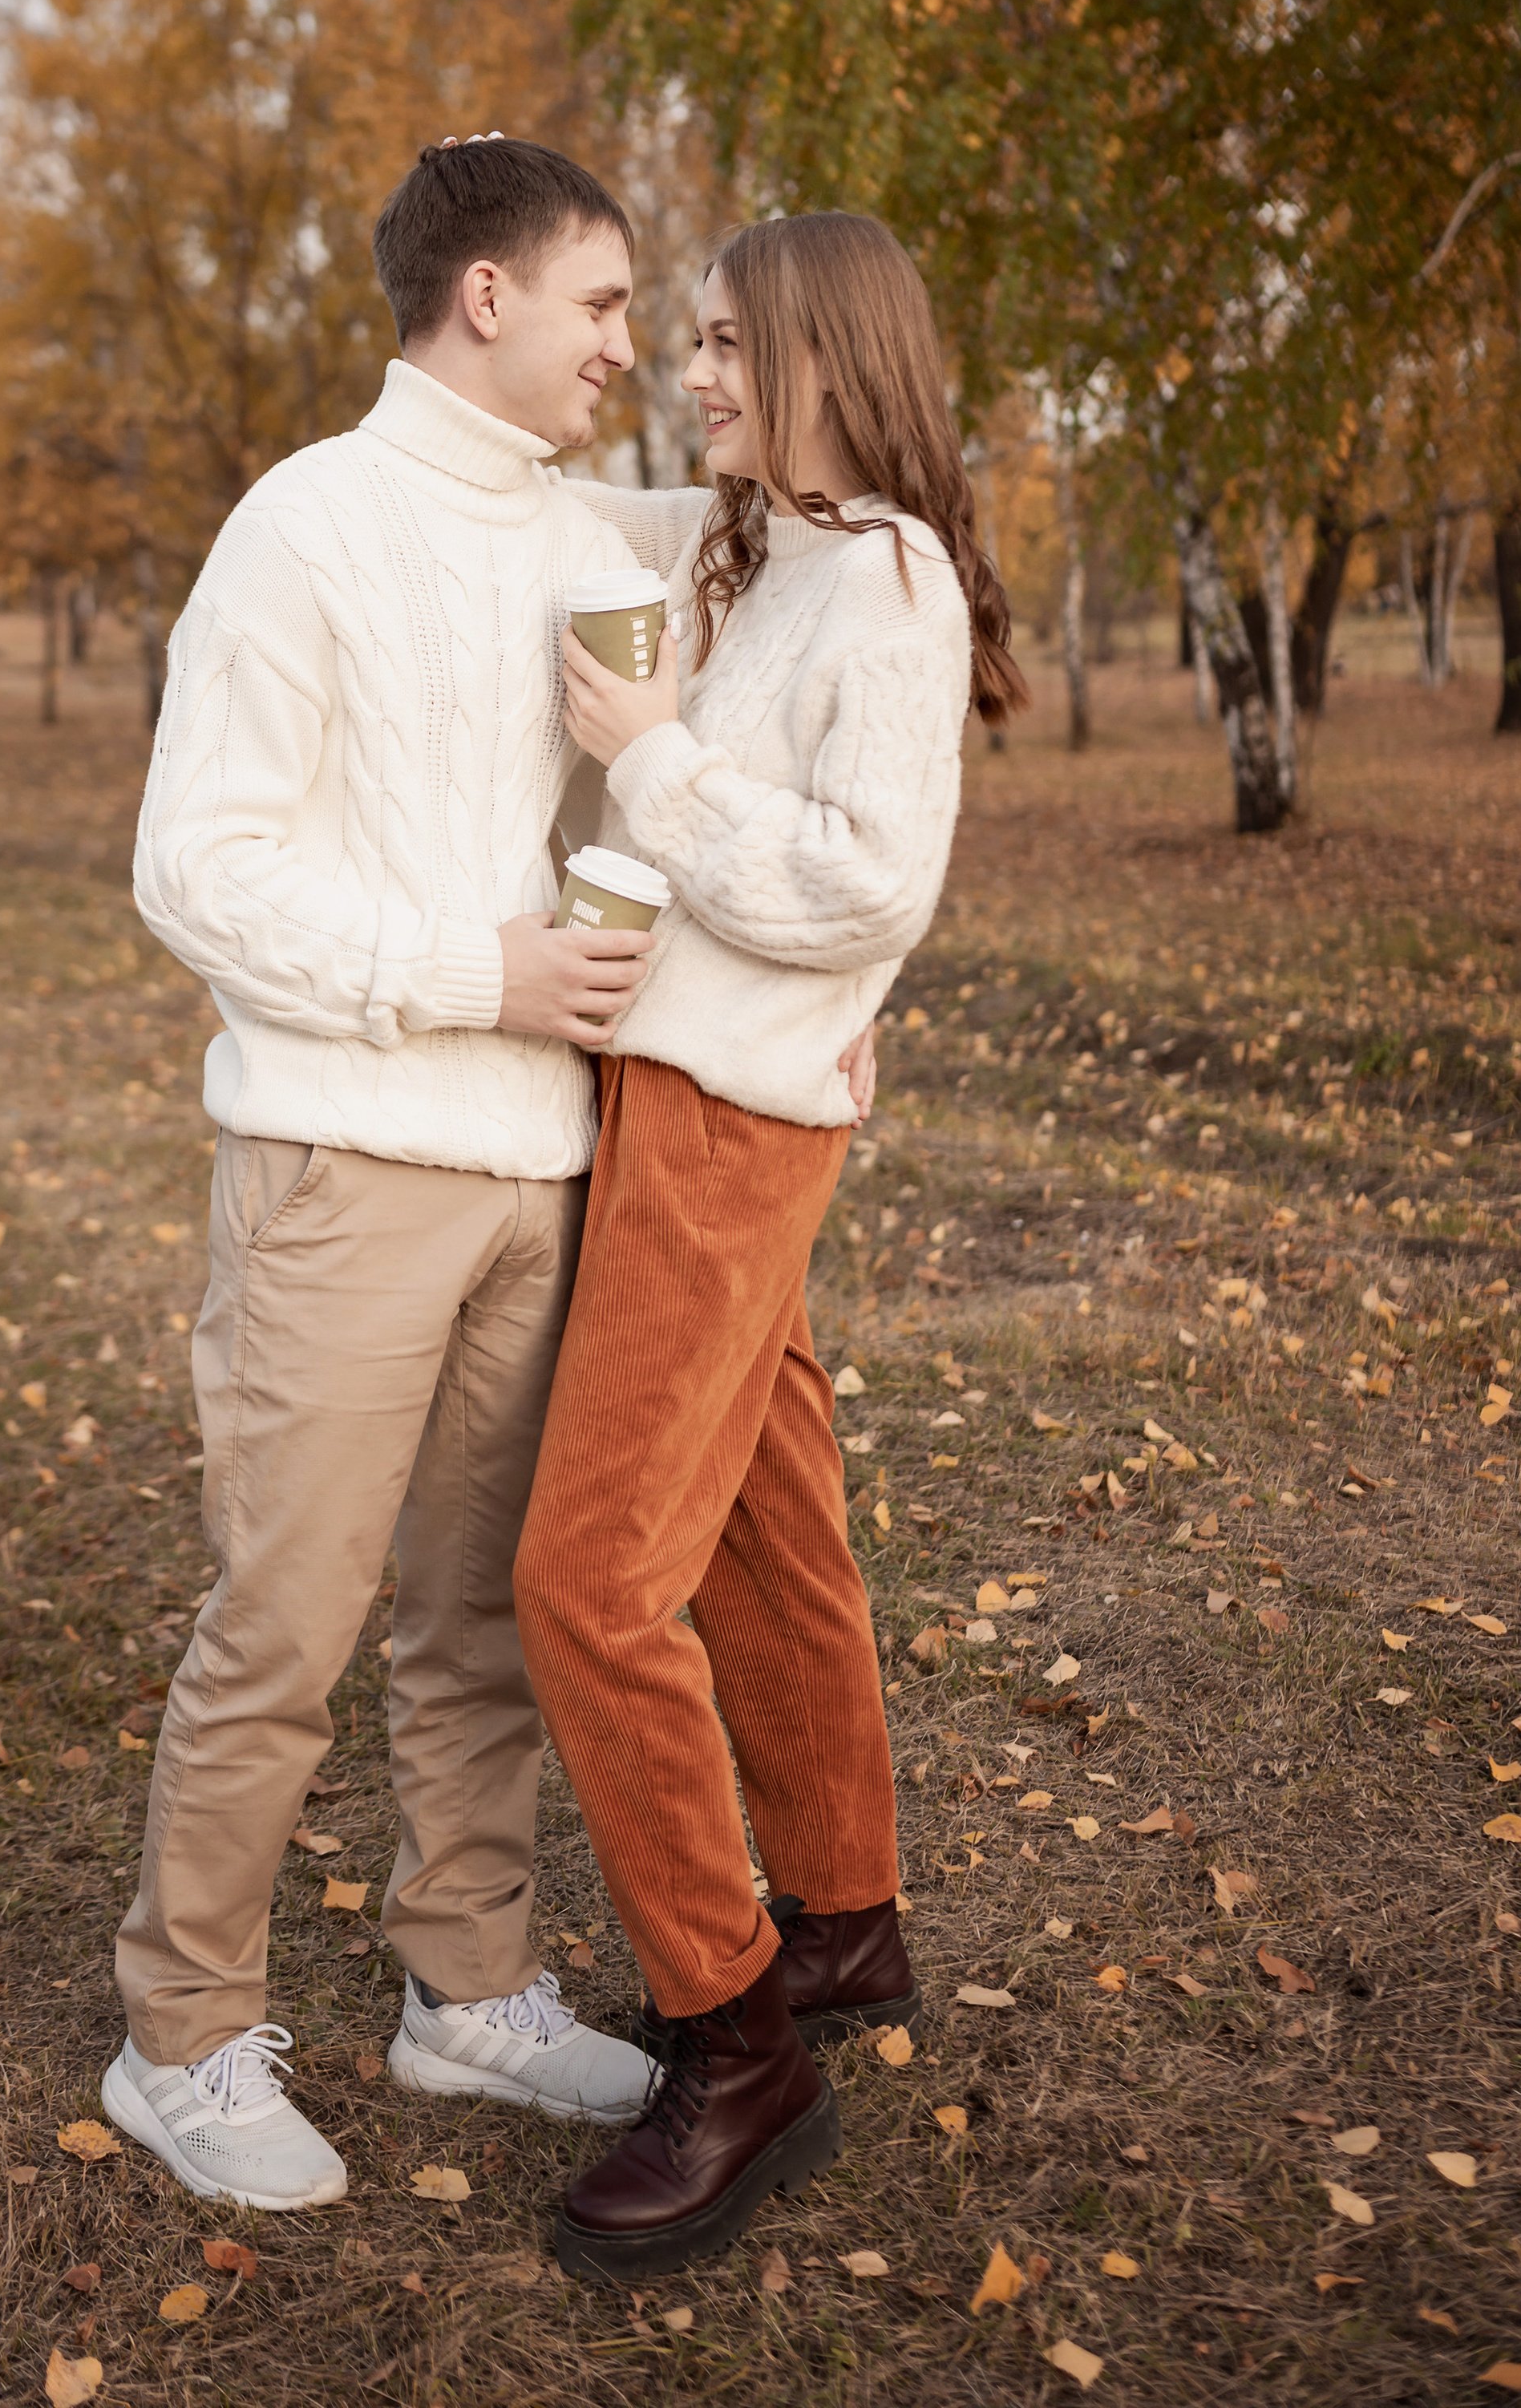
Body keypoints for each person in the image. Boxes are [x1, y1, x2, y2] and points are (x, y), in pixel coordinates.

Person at [102, 136, 667, 2211]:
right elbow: (197, 868)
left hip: (547, 1169)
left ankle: (469, 1990)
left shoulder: (589, 530)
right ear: (489, 296)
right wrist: (477, 973)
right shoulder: (304, 526)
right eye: (602, 302)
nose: (630, 343)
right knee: (291, 1621)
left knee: (476, 1622)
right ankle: (178, 2034)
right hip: (346, 1164)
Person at [512, 208, 1028, 2282]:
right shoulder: (736, 540)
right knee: (761, 1524)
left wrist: (655, 764)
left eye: (730, 346)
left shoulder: (885, 578)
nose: (696, 374)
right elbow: (540, 503)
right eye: (688, 339)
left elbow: (861, 888)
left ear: (831, 358)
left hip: (728, 1121)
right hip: (683, 1082)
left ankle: (734, 2044)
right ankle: (845, 1908)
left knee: (585, 1578)